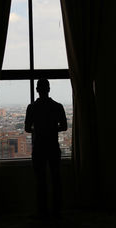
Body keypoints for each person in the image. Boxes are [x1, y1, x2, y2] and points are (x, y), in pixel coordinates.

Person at [25, 78, 67, 218]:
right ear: (49, 89)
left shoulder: (31, 107)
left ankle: (42, 211)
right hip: (53, 146)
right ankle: (57, 211)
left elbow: (26, 128)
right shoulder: (58, 106)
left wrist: (38, 130)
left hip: (39, 148)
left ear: (37, 90)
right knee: (56, 179)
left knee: (40, 180)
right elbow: (65, 127)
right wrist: (53, 128)